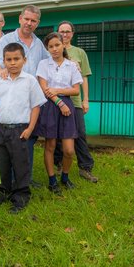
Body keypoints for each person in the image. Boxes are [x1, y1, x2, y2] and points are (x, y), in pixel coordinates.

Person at [0, 5, 49, 188]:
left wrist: (71, 63)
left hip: (30, 100)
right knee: (6, 149)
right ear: (20, 18)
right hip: (10, 95)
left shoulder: (38, 43)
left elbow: (48, 63)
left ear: (37, 23)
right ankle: (9, 183)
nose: (29, 23)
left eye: (33, 21)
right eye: (27, 19)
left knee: (27, 141)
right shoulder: (7, 39)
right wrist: (5, 74)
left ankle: (25, 179)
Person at [0, 43, 46, 214]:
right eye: (9, 59)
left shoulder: (30, 81)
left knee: (20, 163)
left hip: (20, 129)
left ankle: (21, 196)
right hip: (0, 128)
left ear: (24, 60)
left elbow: (36, 106)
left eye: (16, 59)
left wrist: (30, 129)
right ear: (4, 60)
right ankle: (3, 192)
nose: (12, 63)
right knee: (1, 163)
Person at [34, 32, 83, 196]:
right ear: (47, 49)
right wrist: (59, 102)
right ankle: (52, 180)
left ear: (63, 44)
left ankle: (65, 177)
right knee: (50, 145)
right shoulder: (43, 64)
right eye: (51, 47)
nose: (54, 49)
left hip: (67, 106)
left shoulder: (72, 66)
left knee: (69, 150)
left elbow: (76, 90)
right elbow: (44, 88)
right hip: (50, 105)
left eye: (57, 45)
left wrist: (59, 92)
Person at [57, 21, 97, 182]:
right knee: (57, 134)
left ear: (72, 33)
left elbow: (84, 78)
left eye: (67, 31)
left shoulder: (79, 53)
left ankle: (85, 167)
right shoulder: (52, 50)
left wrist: (85, 100)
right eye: (61, 31)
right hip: (56, 100)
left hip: (74, 100)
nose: (65, 34)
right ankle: (58, 164)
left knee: (79, 133)